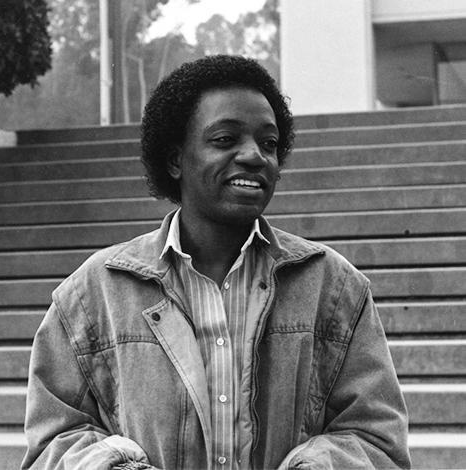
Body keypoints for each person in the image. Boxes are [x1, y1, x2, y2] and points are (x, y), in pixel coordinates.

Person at [22, 55, 411, 470]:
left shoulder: (334, 288)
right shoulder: (91, 294)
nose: (254, 156)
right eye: (225, 140)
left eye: (269, 143)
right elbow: (53, 440)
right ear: (175, 160)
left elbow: (377, 437)